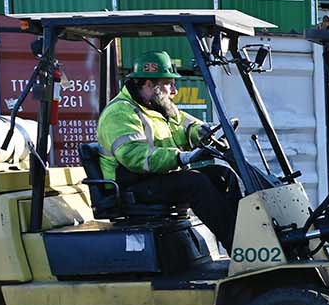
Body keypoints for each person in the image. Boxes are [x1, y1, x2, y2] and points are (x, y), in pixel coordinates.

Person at [95, 51, 240, 251]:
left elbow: (186, 127)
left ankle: (246, 238)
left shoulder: (158, 108)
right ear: (148, 83)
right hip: (132, 184)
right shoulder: (120, 113)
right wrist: (180, 157)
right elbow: (135, 157)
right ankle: (236, 246)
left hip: (155, 178)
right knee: (195, 182)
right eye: (168, 83)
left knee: (222, 175)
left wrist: (202, 132)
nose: (174, 90)